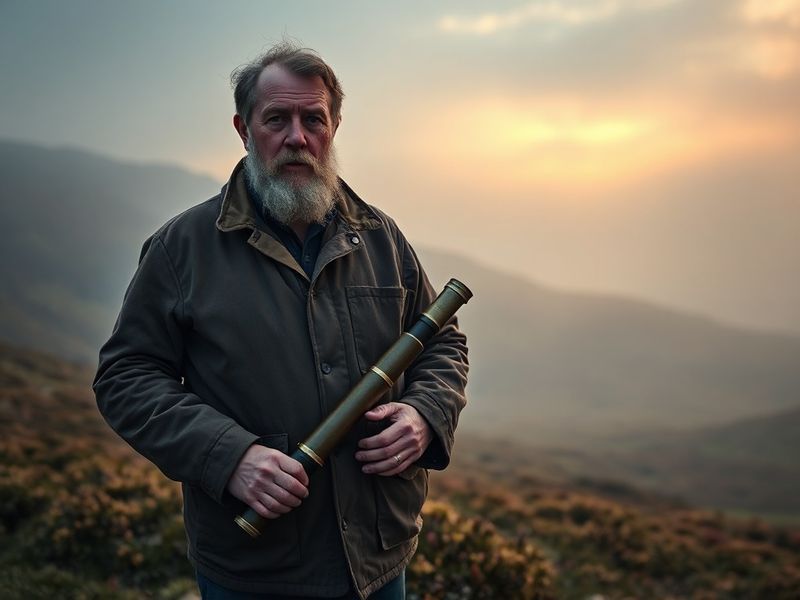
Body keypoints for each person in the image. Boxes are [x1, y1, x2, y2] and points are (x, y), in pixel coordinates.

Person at [93, 42, 468, 600]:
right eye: (277, 119)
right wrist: (229, 457)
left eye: (313, 119)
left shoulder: (381, 237)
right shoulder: (182, 247)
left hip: (377, 557)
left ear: (334, 126)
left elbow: (443, 343)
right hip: (254, 564)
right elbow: (126, 377)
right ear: (244, 130)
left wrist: (424, 413)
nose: (297, 136)